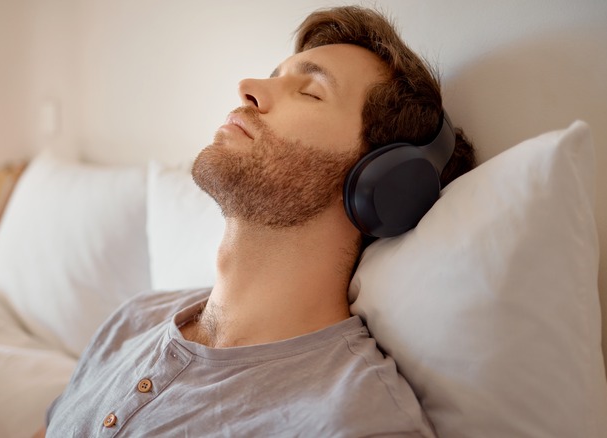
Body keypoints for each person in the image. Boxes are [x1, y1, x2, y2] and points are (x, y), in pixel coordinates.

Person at [36, 5, 476, 437]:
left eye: (310, 91)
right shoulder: (133, 319)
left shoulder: (356, 421)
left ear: (383, 182)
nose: (247, 87)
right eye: (273, 75)